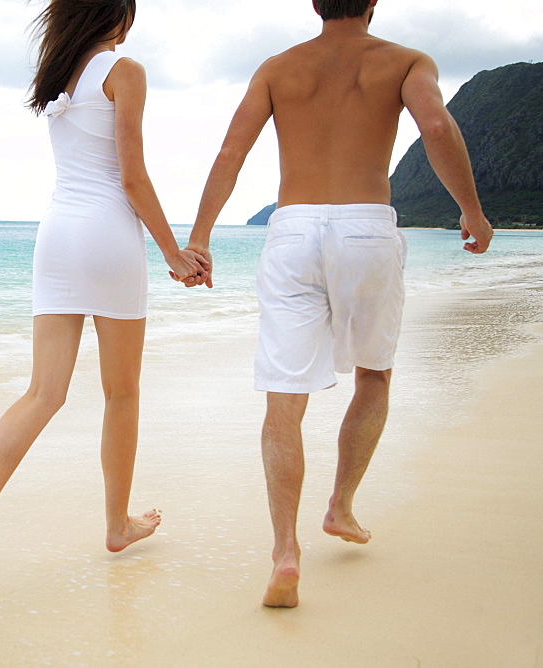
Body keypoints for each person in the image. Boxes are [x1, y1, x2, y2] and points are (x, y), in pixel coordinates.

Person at [182, 0, 493, 608]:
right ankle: (341, 506)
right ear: (373, 1)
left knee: (284, 397)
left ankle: (284, 554)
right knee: (373, 374)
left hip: (292, 230)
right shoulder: (404, 61)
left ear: (314, 3)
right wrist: (472, 211)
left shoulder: (278, 67)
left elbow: (230, 153)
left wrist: (199, 238)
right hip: (367, 230)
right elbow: (435, 127)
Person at [0, 0, 210, 600]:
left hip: (56, 237)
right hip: (107, 237)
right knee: (121, 392)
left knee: (44, 392)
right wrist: (172, 251)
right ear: (118, 17)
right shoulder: (123, 71)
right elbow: (132, 176)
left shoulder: (59, 78)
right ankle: (117, 525)